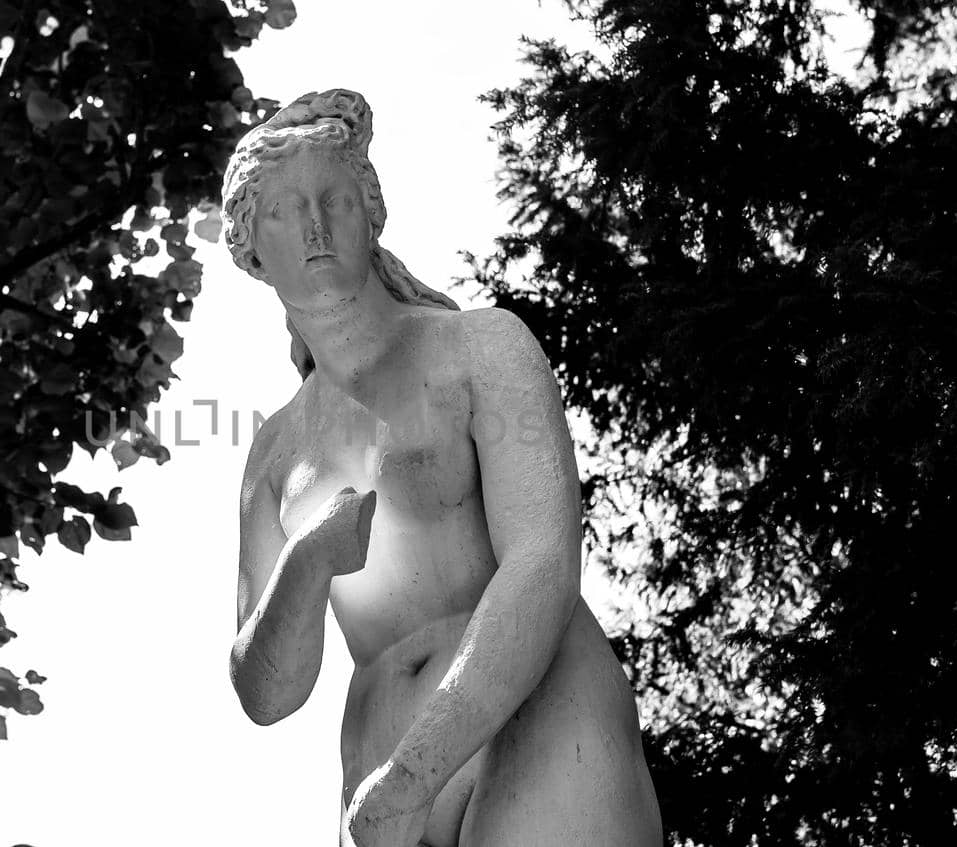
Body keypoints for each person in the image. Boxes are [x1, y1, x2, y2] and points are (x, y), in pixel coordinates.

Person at [223, 89, 662, 847]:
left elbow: (543, 562)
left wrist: (416, 772)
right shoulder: (274, 452)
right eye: (285, 211)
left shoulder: (478, 349)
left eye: (334, 200)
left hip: (539, 714)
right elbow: (268, 692)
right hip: (374, 769)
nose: (316, 228)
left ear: (371, 215)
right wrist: (308, 560)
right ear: (253, 251)